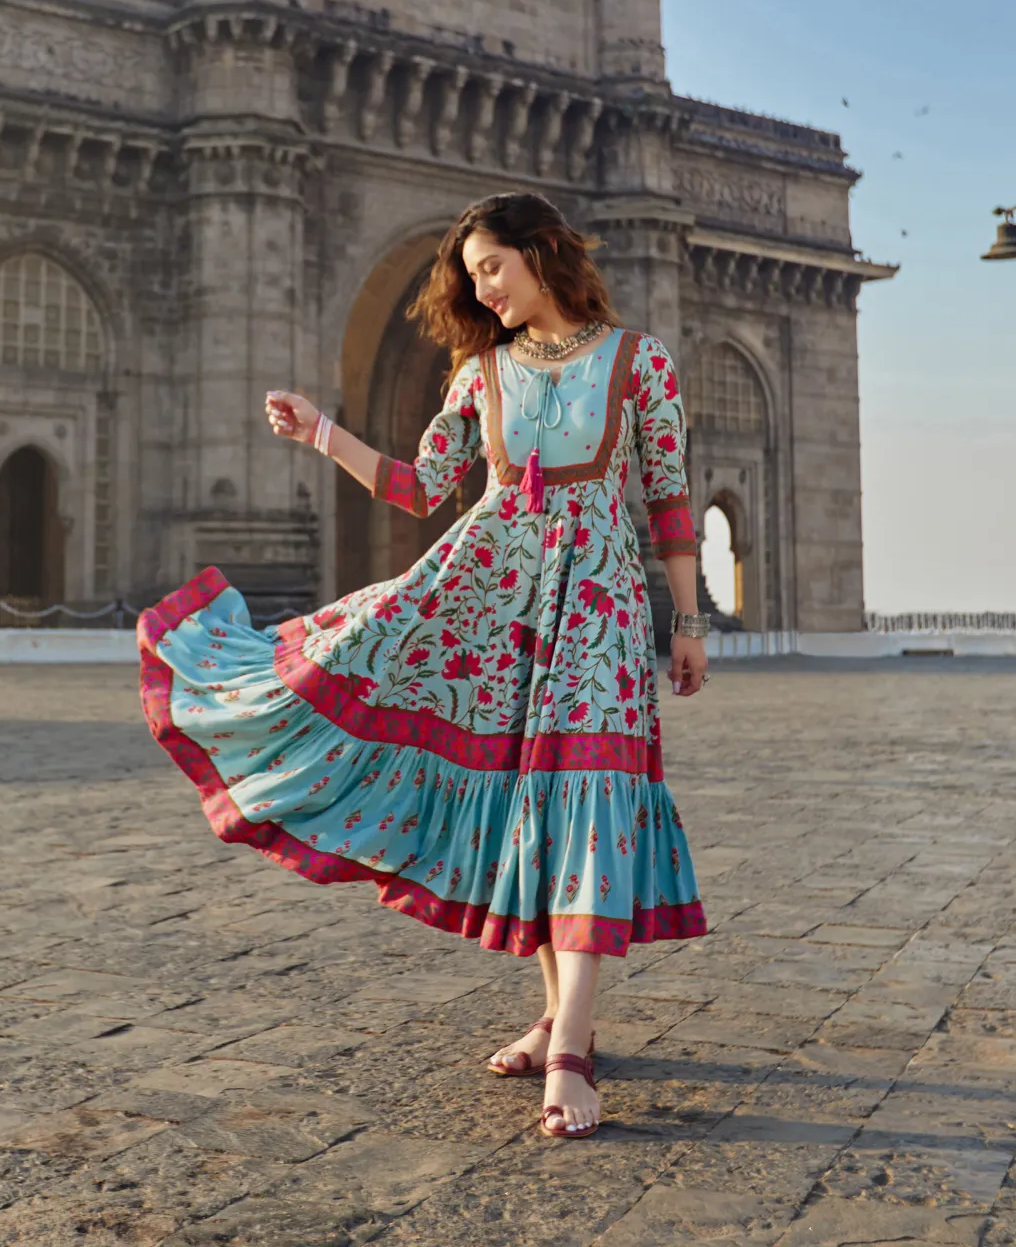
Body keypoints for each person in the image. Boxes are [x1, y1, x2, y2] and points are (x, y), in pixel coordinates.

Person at [138, 191, 709, 1139]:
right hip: (494, 604)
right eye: (472, 276)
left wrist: (685, 619)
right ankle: (555, 1019)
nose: (482, 291)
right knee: (531, 805)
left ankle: (571, 1047)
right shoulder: (481, 374)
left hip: (602, 609)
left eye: (493, 267)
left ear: (539, 255)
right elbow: (419, 487)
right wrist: (320, 431)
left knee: (590, 797)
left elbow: (671, 498)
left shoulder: (639, 360)